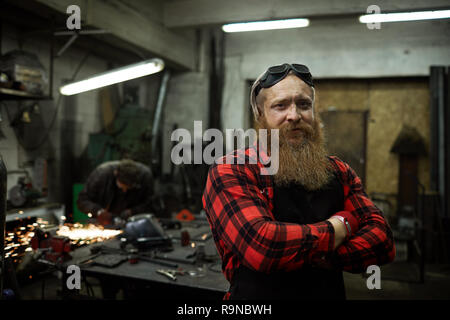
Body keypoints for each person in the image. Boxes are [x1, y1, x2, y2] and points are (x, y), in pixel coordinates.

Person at [202, 63, 396, 300]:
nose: (294, 116)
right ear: (260, 114)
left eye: (304, 104)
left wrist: (326, 255)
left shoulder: (339, 171)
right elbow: (263, 247)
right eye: (280, 106)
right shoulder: (232, 169)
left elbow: (383, 241)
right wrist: (341, 226)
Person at [77, 159, 154, 226]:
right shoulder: (101, 174)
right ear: (116, 173)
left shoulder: (145, 176)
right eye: (123, 186)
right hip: (102, 223)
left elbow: (151, 204)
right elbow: (82, 201)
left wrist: (133, 211)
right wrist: (99, 211)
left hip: (132, 222)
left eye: (129, 188)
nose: (124, 190)